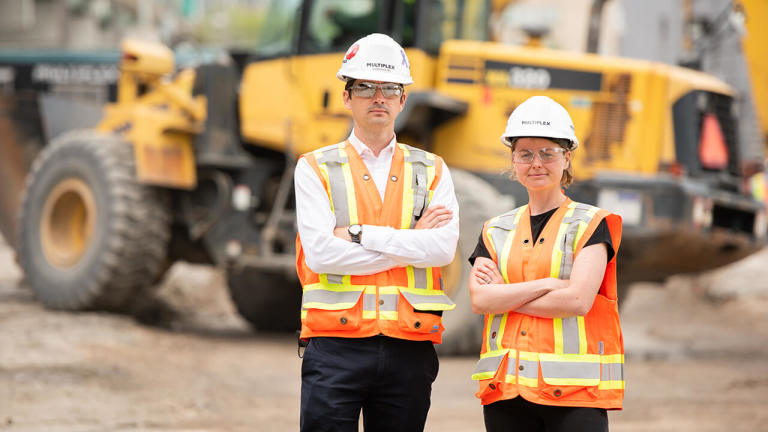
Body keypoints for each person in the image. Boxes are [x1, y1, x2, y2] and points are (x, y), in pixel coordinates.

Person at [294, 33, 460, 432]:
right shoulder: (315, 167)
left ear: (403, 99)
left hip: (410, 347)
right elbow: (320, 255)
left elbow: (441, 250)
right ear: (347, 96)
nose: (378, 97)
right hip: (336, 345)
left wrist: (356, 233)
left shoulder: (432, 169)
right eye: (365, 87)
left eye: (390, 88)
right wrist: (411, 241)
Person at [467, 96, 624, 432]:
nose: (536, 163)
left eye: (547, 153)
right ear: (513, 159)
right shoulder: (495, 229)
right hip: (507, 392)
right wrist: (548, 284)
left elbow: (577, 301)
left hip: (574, 397)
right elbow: (481, 300)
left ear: (566, 158)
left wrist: (506, 294)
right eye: (525, 154)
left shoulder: (591, 224)